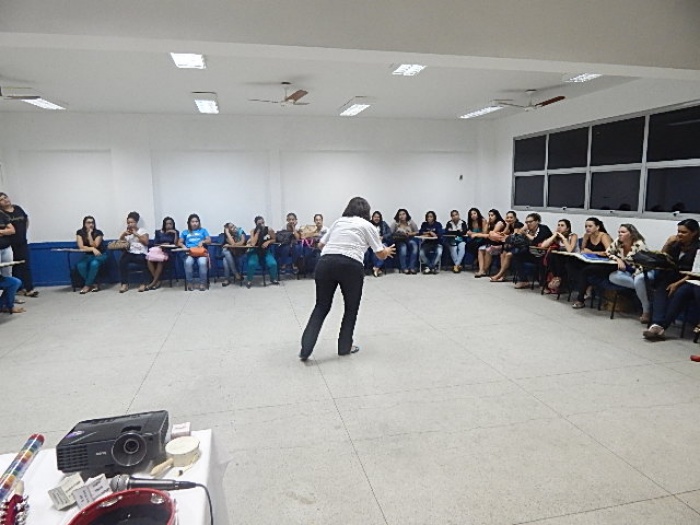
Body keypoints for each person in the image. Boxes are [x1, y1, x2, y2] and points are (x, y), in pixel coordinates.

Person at [299, 197, 395, 361]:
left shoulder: (339, 222)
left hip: (325, 263)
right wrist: (387, 251)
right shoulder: (368, 225)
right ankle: (344, 347)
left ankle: (305, 350)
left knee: (321, 306)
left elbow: (321, 245)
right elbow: (380, 253)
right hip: (351, 265)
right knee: (351, 308)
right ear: (366, 211)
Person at [643, 219, 700, 340]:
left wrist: (677, 284)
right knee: (661, 289)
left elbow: (696, 271)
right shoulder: (676, 245)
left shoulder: (698, 248)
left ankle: (661, 327)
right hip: (672, 276)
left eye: (684, 232)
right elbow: (661, 259)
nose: (679, 234)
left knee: (679, 292)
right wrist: (668, 244)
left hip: (689, 279)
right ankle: (656, 324)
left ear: (694, 233)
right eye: (678, 231)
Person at [606, 224, 651, 322]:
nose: (619, 234)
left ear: (631, 234)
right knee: (612, 277)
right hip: (627, 271)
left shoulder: (639, 244)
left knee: (639, 280)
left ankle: (646, 311)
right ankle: (641, 288)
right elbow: (608, 252)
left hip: (641, 270)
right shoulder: (618, 242)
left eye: (623, 232)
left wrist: (635, 275)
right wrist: (618, 259)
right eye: (619, 232)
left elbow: (644, 264)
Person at [568, 218, 613, 305]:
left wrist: (592, 252)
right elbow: (583, 250)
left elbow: (609, 253)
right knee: (570, 263)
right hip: (590, 261)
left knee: (585, 271)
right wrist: (585, 248)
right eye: (586, 226)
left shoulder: (603, 236)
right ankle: (587, 286)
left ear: (597, 227)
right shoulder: (587, 235)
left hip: (604, 264)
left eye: (590, 226)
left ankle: (580, 299)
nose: (587, 228)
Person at [0, 193, 37, 297]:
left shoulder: (17, 209)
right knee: (13, 268)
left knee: (25, 265)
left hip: (22, 242)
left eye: (5, 197)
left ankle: (29, 289)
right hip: (9, 244)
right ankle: (17, 290)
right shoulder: (2, 214)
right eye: (1, 199)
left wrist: (24, 232)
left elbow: (26, 220)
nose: (5, 200)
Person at [512, 212, 552, 289]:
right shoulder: (528, 230)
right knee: (517, 255)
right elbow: (515, 240)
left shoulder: (544, 229)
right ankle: (523, 280)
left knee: (542, 261)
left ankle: (543, 284)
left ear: (537, 221)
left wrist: (525, 234)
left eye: (530, 222)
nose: (528, 224)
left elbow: (536, 241)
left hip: (544, 254)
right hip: (532, 253)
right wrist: (519, 232)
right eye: (526, 222)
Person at [539, 219, 578, 292]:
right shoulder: (557, 238)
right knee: (551, 255)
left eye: (562, 225)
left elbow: (570, 250)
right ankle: (556, 277)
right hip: (561, 259)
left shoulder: (573, 236)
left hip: (573, 259)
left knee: (556, 257)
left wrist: (563, 238)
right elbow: (543, 245)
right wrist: (554, 235)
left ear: (567, 228)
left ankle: (558, 279)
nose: (559, 227)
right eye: (558, 225)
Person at [117, 211, 150, 293]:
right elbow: (120, 244)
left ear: (136, 222)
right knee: (122, 261)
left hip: (141, 252)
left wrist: (136, 234)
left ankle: (143, 283)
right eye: (128, 223)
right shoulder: (127, 233)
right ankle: (124, 284)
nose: (130, 224)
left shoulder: (142, 231)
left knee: (144, 261)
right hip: (130, 252)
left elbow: (146, 242)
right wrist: (122, 235)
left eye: (132, 222)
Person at [75, 216, 108, 294]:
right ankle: (94, 284)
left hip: (100, 255)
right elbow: (81, 247)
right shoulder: (80, 232)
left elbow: (95, 245)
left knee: (94, 264)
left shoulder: (98, 233)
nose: (91, 224)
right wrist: (92, 249)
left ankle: (87, 285)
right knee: (80, 265)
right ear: (84, 224)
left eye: (92, 222)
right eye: (88, 223)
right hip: (88, 256)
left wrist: (89, 234)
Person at [488, 210, 524, 282]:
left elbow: (514, 237)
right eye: (507, 217)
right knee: (502, 253)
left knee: (505, 252)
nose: (509, 219)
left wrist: (505, 236)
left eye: (511, 217)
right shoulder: (509, 225)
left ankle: (500, 275)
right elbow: (504, 233)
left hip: (520, 246)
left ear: (515, 218)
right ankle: (503, 275)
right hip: (511, 245)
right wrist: (507, 225)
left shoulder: (518, 224)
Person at [178, 213, 211, 291]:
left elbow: (209, 240)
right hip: (190, 252)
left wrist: (203, 241)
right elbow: (179, 242)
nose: (195, 223)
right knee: (188, 262)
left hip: (201, 252)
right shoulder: (185, 232)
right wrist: (183, 246)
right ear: (189, 223)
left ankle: (203, 283)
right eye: (192, 221)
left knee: (202, 263)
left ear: (199, 222)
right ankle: (189, 282)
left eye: (196, 221)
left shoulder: (203, 230)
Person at [245, 216, 279, 288]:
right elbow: (253, 243)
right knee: (252, 264)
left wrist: (268, 242)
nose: (262, 225)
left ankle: (273, 279)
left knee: (273, 263)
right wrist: (257, 232)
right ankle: (249, 280)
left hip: (265, 251)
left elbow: (274, 239)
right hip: (255, 251)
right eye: (259, 224)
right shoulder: (253, 231)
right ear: (256, 224)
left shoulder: (269, 229)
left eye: (263, 223)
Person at [146, 216, 179, 290]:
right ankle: (157, 280)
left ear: (173, 224)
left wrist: (175, 234)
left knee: (160, 261)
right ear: (164, 224)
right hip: (158, 250)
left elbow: (176, 244)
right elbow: (155, 243)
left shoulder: (175, 232)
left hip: (168, 252)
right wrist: (162, 244)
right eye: (167, 224)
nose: (169, 225)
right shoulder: (158, 232)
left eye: (170, 224)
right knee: (148, 259)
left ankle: (153, 283)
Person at [471, 209, 504, 278]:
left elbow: (491, 235)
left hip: (500, 245)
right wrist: (487, 223)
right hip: (492, 244)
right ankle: (481, 270)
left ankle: (484, 270)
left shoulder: (499, 223)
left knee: (488, 250)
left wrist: (477, 234)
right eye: (489, 215)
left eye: (492, 215)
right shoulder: (491, 223)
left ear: (496, 216)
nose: (490, 217)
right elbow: (485, 232)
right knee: (480, 249)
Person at [390, 208, 419, 274]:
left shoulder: (411, 222)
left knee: (414, 245)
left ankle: (412, 267)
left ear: (406, 215)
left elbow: (417, 232)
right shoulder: (395, 223)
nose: (402, 216)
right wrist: (399, 233)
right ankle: (404, 268)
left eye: (403, 214)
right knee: (403, 248)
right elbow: (390, 233)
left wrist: (410, 234)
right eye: (400, 214)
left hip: (409, 239)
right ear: (398, 216)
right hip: (399, 240)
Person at [366, 211, 392, 277]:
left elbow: (390, 233)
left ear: (380, 218)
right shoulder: (368, 224)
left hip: (382, 242)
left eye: (378, 217)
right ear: (372, 217)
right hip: (371, 243)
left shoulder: (384, 224)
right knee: (375, 250)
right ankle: (377, 268)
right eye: (375, 217)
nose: (376, 218)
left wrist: (383, 237)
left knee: (384, 250)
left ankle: (376, 267)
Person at [221, 222, 246, 286]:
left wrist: (231, 245)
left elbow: (242, 242)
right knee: (225, 251)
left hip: (239, 252)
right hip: (230, 253)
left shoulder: (241, 231)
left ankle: (227, 279)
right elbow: (232, 243)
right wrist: (227, 233)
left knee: (225, 259)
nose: (234, 227)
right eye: (231, 227)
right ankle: (236, 274)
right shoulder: (227, 235)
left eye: (233, 225)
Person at [0, 210, 16, 278]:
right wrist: (5, 231)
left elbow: (12, 230)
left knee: (8, 273)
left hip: (6, 248)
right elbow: (8, 230)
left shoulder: (1, 214)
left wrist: (1, 231)